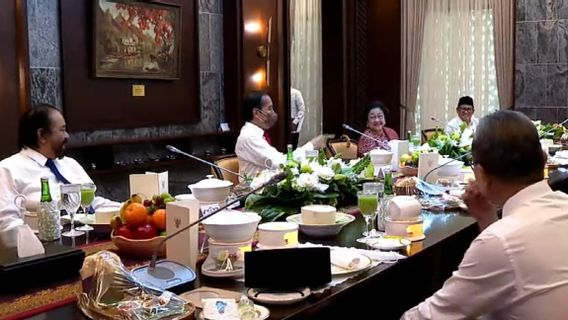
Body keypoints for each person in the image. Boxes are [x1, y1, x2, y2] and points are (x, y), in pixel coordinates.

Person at [401, 110, 568, 319]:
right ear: (543, 160)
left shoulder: (498, 241)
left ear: (480, 174)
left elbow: (431, 317)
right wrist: (487, 217)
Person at [0, 104, 119, 232]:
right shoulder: (8, 169)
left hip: (92, 235)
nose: (67, 135)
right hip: (48, 245)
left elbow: (91, 203)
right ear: (42, 135)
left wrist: (125, 208)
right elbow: (7, 222)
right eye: (62, 130)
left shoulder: (70, 164)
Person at [235, 91, 327, 179]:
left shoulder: (257, 134)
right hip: (254, 192)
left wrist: (313, 153)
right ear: (256, 113)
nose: (274, 113)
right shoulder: (249, 137)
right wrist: (312, 145)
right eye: (270, 108)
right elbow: (283, 163)